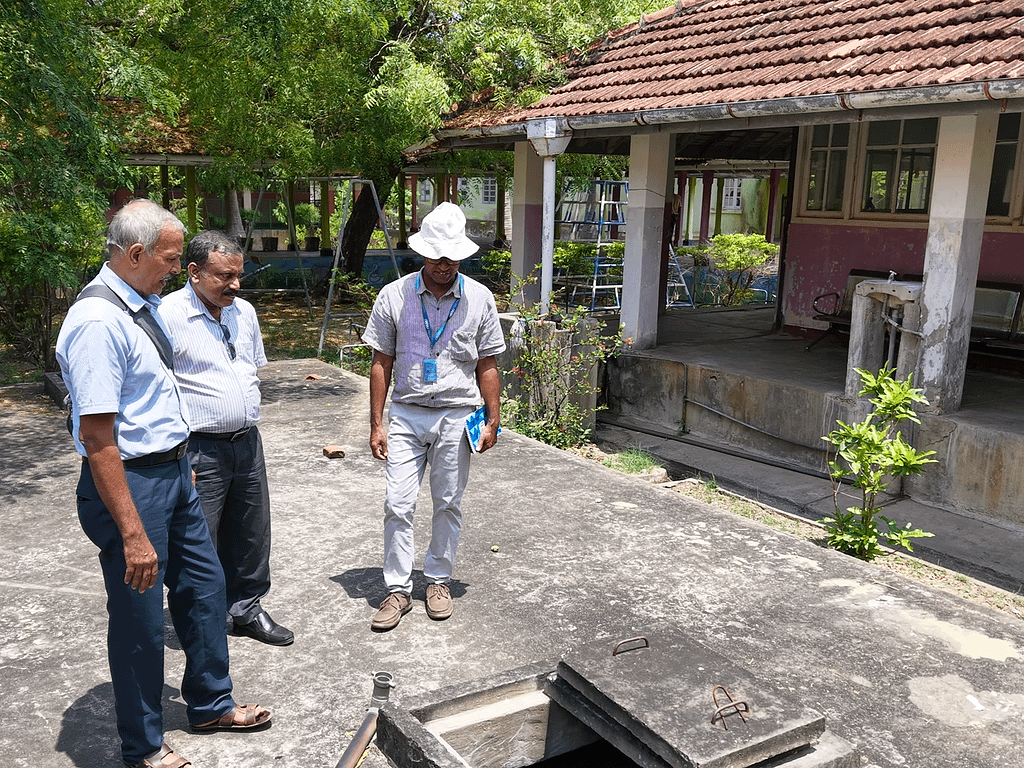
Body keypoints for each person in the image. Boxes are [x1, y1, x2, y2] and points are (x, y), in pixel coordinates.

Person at [56, 200, 271, 768]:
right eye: (172, 259)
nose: (177, 269)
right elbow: (98, 437)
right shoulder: (99, 322)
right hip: (132, 485)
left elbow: (153, 398)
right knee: (141, 619)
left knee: (205, 590)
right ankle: (144, 746)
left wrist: (180, 461)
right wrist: (132, 532)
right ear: (135, 253)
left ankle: (210, 704)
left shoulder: (140, 307)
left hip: (174, 473)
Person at [362, 202, 506, 632]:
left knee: (447, 502)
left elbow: (488, 363)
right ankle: (397, 589)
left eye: (452, 258)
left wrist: (493, 419)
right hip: (407, 414)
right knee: (397, 503)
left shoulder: (479, 298)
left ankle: (438, 580)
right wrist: (376, 423)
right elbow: (381, 361)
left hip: (457, 416)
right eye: (436, 257)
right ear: (422, 252)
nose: (444, 265)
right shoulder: (394, 296)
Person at [160, 230, 293, 647]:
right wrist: (177, 454)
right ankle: (203, 619)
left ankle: (246, 608)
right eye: (224, 276)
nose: (235, 284)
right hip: (198, 448)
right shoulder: (167, 315)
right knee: (198, 540)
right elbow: (158, 388)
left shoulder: (244, 313)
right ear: (194, 272)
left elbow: (250, 368)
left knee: (251, 533)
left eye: (238, 275)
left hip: (247, 442)